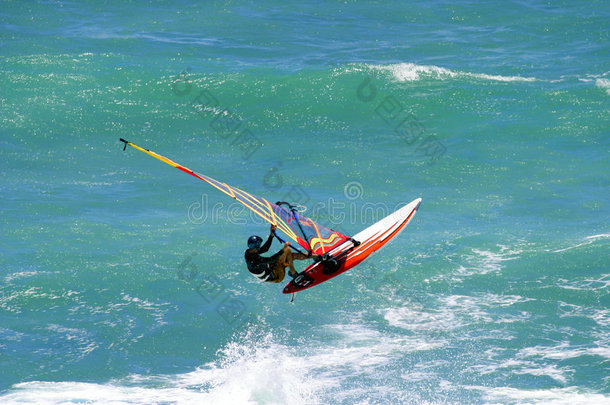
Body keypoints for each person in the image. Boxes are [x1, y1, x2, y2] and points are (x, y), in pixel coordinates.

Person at [245, 225, 313, 283]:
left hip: (269, 268)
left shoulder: (249, 252)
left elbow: (265, 249)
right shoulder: (255, 260)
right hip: (275, 276)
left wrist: (271, 236)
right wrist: (283, 249)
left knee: (291, 256)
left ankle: (317, 256)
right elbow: (271, 259)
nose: (258, 248)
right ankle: (293, 273)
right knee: (287, 250)